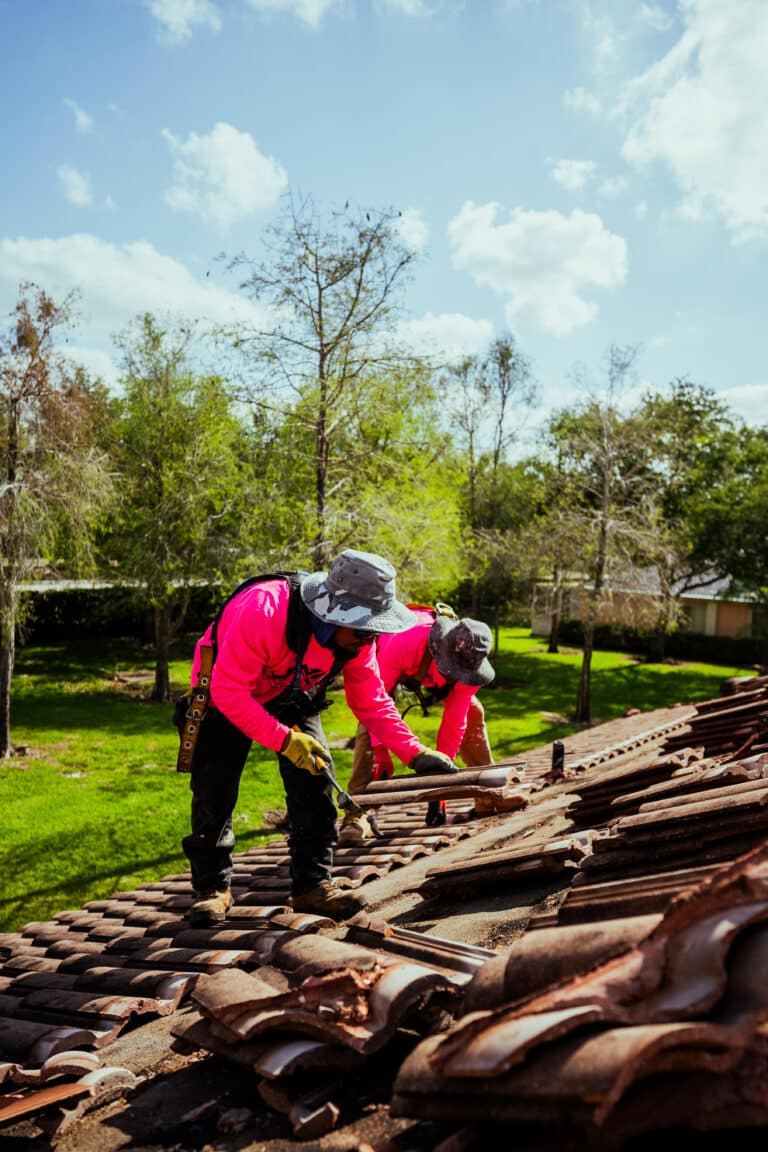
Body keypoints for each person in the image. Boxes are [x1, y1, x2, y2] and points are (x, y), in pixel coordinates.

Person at [181, 549, 457, 925]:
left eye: (375, 630)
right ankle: (212, 888)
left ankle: (312, 886)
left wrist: (414, 752)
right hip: (223, 691)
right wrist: (284, 740)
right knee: (215, 785)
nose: (369, 639)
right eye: (364, 629)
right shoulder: (264, 612)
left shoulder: (356, 642)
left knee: (316, 777)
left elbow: (372, 700)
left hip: (292, 693)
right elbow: (230, 691)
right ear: (333, 613)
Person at [339, 607, 495, 844]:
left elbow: (454, 724)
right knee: (368, 727)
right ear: (438, 649)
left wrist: (441, 781)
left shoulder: (471, 663)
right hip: (385, 671)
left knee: (474, 713)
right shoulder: (403, 642)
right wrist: (382, 752)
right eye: (451, 670)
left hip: (419, 672)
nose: (455, 676)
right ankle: (358, 812)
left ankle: (489, 793)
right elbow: (373, 703)